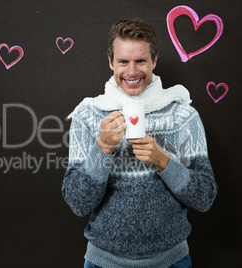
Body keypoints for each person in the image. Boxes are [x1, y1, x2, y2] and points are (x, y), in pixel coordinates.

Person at [62, 18, 217, 268]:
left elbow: (205, 197)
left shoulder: (183, 115)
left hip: (171, 261)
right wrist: (102, 148)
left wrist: (164, 162)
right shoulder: (88, 115)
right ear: (111, 62)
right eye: (123, 61)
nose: (132, 72)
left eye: (140, 61)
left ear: (154, 61)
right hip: (103, 262)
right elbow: (78, 203)